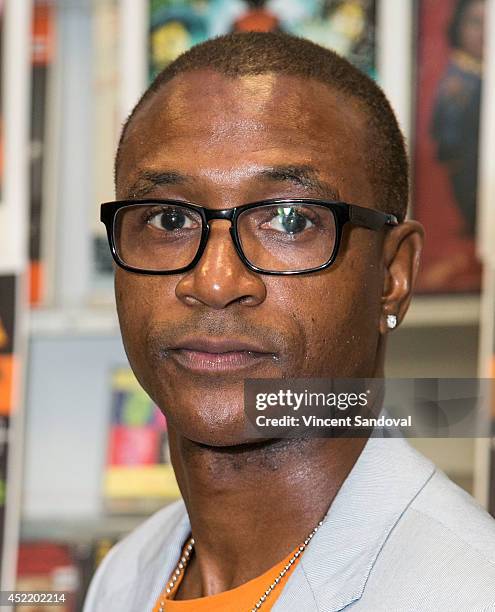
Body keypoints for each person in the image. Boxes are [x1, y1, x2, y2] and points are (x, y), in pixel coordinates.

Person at [84, 32, 495, 611]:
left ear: (392, 277)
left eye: (290, 220)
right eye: (169, 218)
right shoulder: (127, 574)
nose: (215, 282)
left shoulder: (463, 593)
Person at [430, 0, 485, 238]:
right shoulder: (460, 78)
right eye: (476, 23)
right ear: (458, 28)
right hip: (467, 169)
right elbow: (445, 128)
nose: (485, 32)